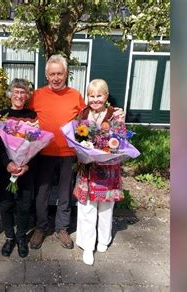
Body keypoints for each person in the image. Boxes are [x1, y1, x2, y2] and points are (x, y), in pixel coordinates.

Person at [27, 54, 86, 250]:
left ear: (66, 73)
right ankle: (41, 227)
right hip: (43, 153)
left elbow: (88, 120)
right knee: (41, 193)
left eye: (59, 73)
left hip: (67, 153)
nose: (56, 77)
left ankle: (62, 228)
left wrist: (112, 115)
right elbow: (24, 119)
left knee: (65, 193)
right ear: (46, 74)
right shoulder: (37, 95)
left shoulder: (75, 95)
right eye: (52, 74)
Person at [73, 79, 126, 265]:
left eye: (99, 95)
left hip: (108, 169)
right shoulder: (82, 114)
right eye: (91, 95)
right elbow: (76, 138)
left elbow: (121, 139)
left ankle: (103, 239)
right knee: (87, 207)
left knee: (105, 207)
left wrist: (110, 146)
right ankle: (87, 245)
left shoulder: (115, 115)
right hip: (87, 169)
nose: (95, 99)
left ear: (106, 95)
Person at [0, 78, 39, 258]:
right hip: (7, 169)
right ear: (10, 94)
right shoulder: (1, 115)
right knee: (5, 204)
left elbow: (37, 144)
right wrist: (8, 163)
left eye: (23, 92)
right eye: (16, 92)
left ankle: (21, 237)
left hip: (26, 169)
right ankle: (9, 237)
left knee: (24, 204)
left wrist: (26, 165)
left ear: (27, 95)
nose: (19, 95)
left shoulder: (32, 116)